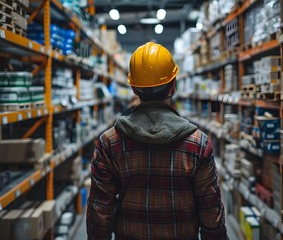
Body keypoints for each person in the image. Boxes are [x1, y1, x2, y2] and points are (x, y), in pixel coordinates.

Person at [87, 42, 228, 239]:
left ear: (134, 88)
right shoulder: (198, 143)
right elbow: (211, 213)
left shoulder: (110, 142)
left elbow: (99, 212)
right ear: (174, 85)